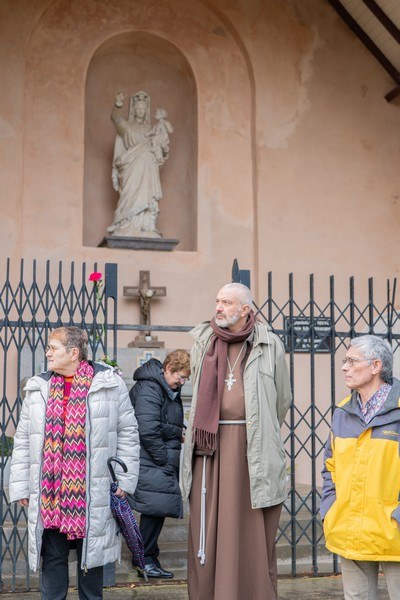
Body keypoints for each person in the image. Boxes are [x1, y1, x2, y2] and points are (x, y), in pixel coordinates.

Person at [9, 326, 140, 600]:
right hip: (51, 493)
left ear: (73, 353)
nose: (48, 353)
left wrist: (126, 480)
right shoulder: (39, 387)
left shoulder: (108, 383)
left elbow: (128, 432)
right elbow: (23, 440)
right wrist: (20, 486)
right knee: (53, 559)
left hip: (92, 492)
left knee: (91, 562)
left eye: (53, 348)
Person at [181, 282, 292, 600]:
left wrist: (255, 430)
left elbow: (281, 401)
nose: (218, 307)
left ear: (245, 309)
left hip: (251, 450)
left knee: (248, 526)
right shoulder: (203, 342)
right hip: (210, 449)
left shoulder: (269, 344)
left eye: (227, 302)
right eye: (217, 300)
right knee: (208, 525)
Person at [321, 335, 400, 600]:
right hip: (350, 530)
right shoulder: (343, 412)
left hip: (394, 533)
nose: (344, 367)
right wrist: (331, 509)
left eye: (352, 361)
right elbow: (330, 466)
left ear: (376, 366)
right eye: (345, 361)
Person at [129, 349, 190, 579]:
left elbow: (163, 420)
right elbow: (147, 429)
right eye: (180, 377)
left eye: (185, 379)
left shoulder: (165, 388)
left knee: (156, 509)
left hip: (156, 458)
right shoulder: (150, 388)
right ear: (168, 369)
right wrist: (164, 460)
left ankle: (148, 558)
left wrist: (177, 430)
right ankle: (143, 560)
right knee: (154, 509)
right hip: (151, 458)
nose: (182, 382)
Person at [107, 91, 171, 239]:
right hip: (131, 166)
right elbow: (115, 118)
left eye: (143, 109)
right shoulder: (127, 127)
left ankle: (147, 225)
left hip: (148, 167)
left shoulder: (151, 129)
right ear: (134, 110)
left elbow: (160, 145)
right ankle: (124, 224)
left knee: (147, 194)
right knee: (129, 194)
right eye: (138, 108)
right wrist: (118, 104)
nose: (141, 111)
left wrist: (163, 147)